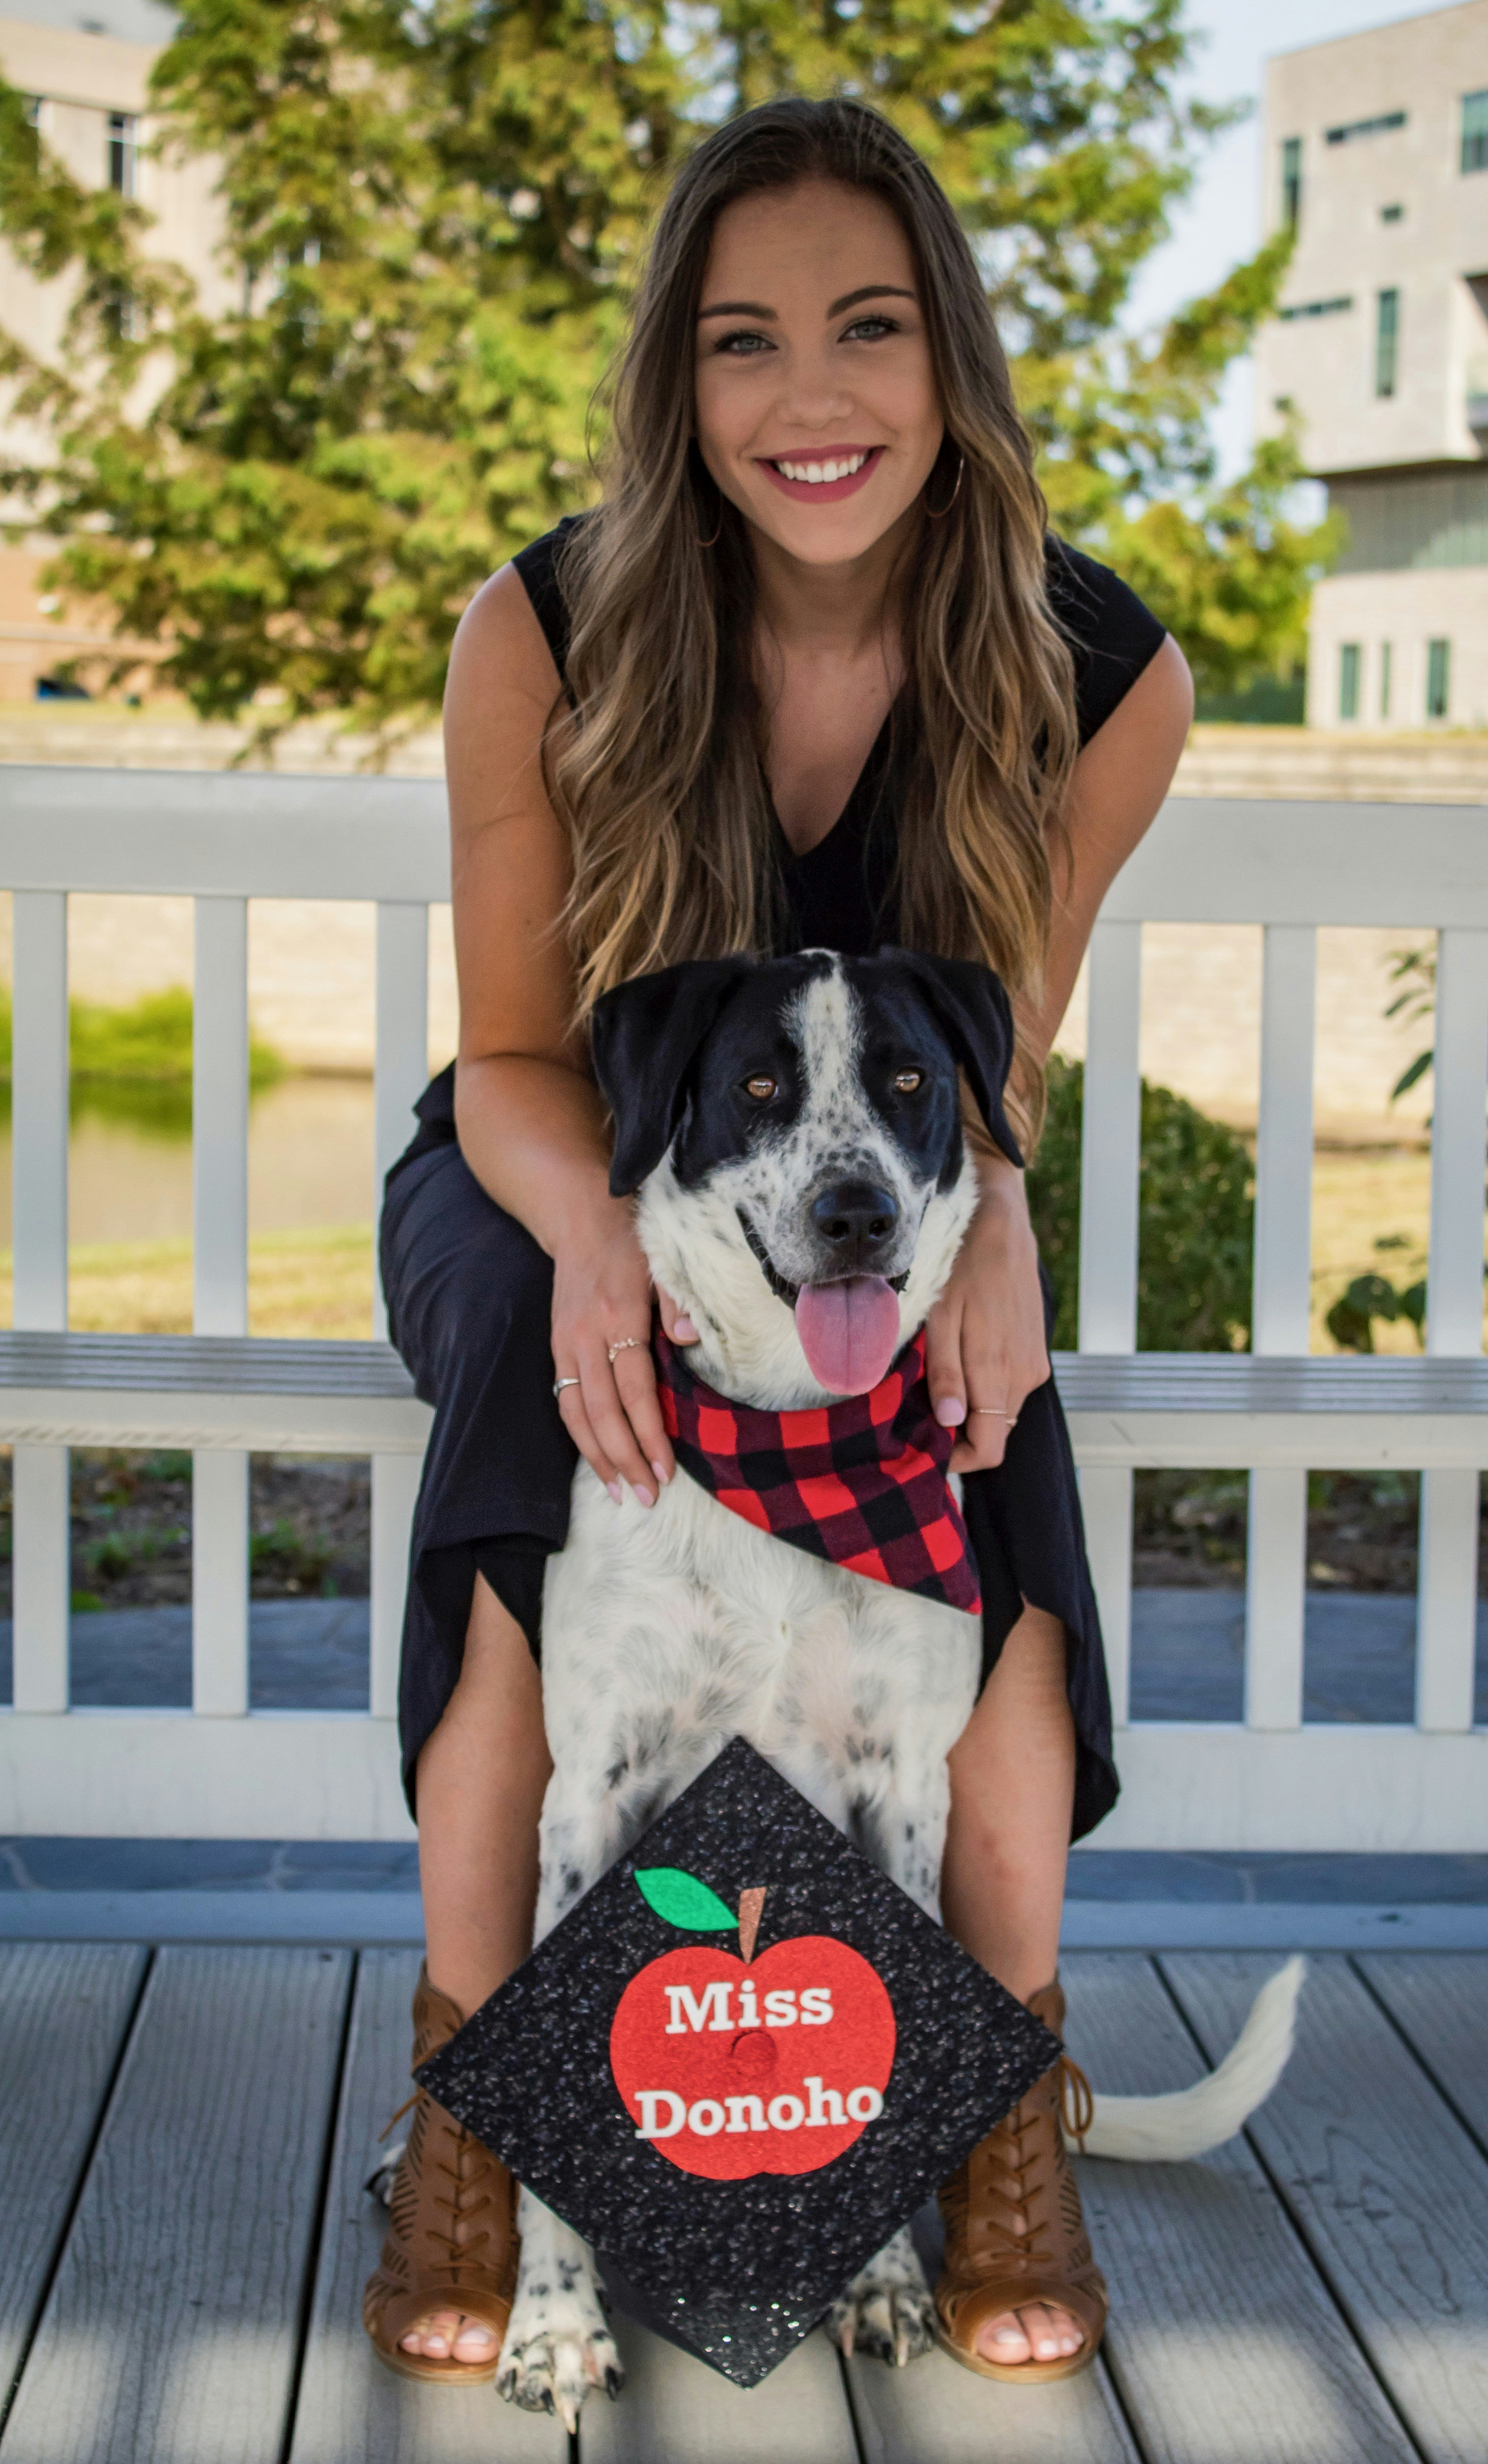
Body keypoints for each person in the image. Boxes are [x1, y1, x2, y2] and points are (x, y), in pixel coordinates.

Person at [364, 95, 1192, 2393]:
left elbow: (990, 1067)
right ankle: (470, 2129)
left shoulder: (1096, 678)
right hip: (552, 1159)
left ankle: (987, 2125)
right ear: (676, 380)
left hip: (888, 1192)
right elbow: (520, 1057)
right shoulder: (548, 630)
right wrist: (605, 1246)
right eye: (742, 343)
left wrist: (988, 1217)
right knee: (567, 1396)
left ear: (952, 356)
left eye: (866, 327)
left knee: (978, 1481)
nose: (806, 399)